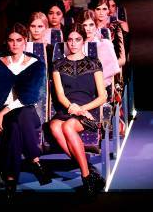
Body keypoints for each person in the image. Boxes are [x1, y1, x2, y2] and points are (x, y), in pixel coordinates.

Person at [0, 23, 51, 199]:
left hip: (27, 111)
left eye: (19, 40)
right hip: (7, 116)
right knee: (13, 126)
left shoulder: (36, 64)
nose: (15, 44)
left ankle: (10, 178)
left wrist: (1, 112)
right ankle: (35, 162)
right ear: (7, 42)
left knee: (21, 115)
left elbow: (29, 97)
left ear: (25, 41)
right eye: (11, 40)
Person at [49, 23, 107, 197]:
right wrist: (72, 107)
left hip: (88, 110)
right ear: (66, 41)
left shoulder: (93, 63)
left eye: (77, 39)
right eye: (70, 40)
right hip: (67, 108)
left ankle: (86, 177)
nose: (73, 43)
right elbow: (60, 95)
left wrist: (81, 109)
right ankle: (87, 166)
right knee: (54, 127)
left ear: (84, 41)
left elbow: (103, 96)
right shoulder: (58, 64)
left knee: (67, 127)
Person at [80, 9, 121, 98]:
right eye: (85, 25)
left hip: (99, 89)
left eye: (91, 25)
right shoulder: (75, 45)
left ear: (96, 26)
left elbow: (111, 71)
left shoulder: (104, 44)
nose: (88, 29)